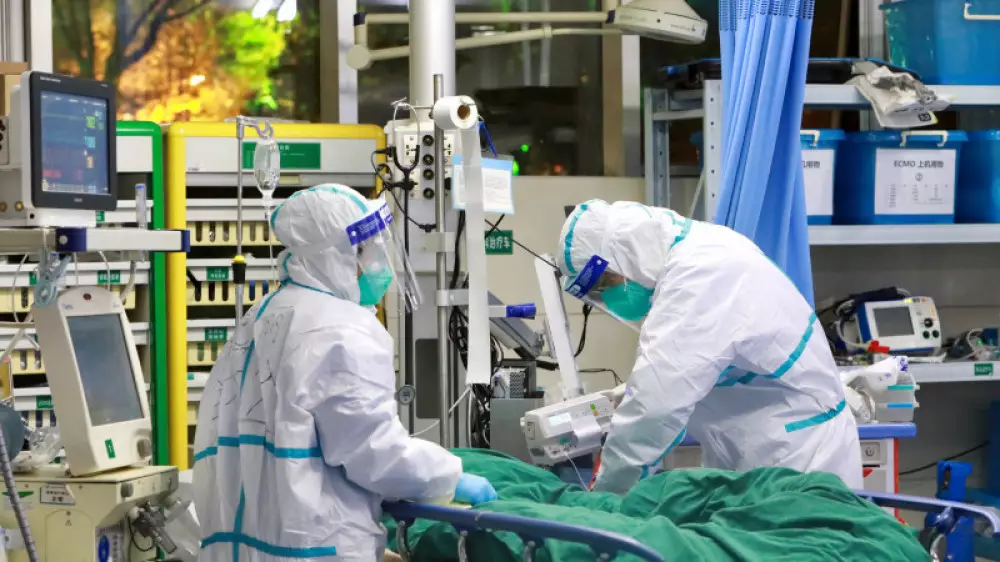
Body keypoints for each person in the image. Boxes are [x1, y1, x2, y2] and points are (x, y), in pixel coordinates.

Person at [193, 185, 497, 561]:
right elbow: (374, 453)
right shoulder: (343, 329)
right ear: (337, 254)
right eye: (369, 250)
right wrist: (450, 478)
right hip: (315, 549)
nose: (379, 263)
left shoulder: (263, 314)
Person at [559, 199, 863, 494]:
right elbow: (710, 362)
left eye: (605, 284)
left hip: (797, 461)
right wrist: (627, 395)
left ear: (625, 254)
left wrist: (607, 495)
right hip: (767, 451)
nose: (607, 297)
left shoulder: (698, 276)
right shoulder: (702, 250)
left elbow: (656, 407)